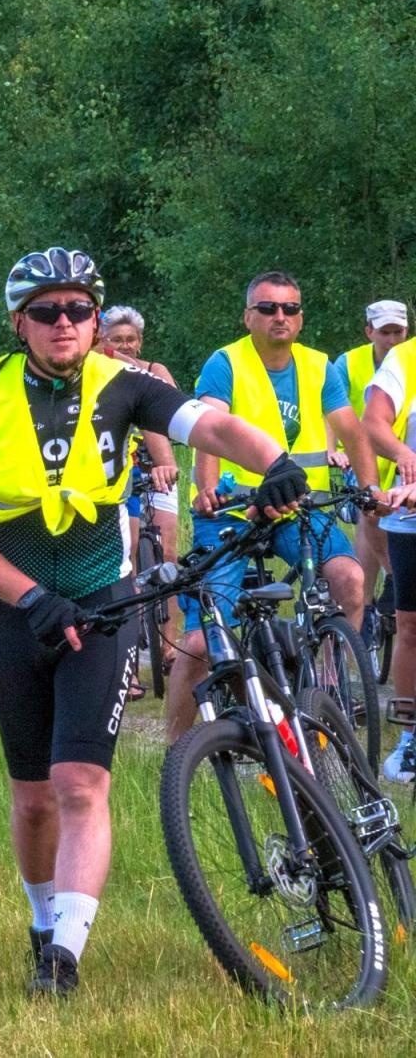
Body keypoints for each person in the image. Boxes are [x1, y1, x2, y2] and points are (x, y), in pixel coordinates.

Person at [0, 246, 308, 998]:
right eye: (47, 312)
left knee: (80, 783)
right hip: (21, 611)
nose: (64, 323)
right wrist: (29, 599)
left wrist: (276, 461)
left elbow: (213, 426)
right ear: (19, 323)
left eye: (78, 310)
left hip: (105, 601)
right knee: (34, 796)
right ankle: (42, 921)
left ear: (96, 318)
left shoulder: (126, 384)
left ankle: (63, 957)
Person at [166, 271, 387, 741]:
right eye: (267, 308)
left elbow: (352, 431)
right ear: (248, 317)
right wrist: (206, 490)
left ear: (301, 317)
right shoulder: (226, 362)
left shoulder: (317, 366)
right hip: (229, 509)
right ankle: (177, 753)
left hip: (295, 507)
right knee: (201, 641)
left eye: (289, 308)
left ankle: (328, 690)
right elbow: (210, 426)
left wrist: (370, 492)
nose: (279, 316)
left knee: (350, 579)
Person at [98, 305, 181, 695]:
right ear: (102, 342)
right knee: (127, 559)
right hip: (123, 470)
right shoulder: (99, 373)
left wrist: (165, 462)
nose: (125, 346)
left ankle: (169, 649)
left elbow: (171, 415)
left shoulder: (154, 371)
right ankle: (126, 665)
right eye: (117, 340)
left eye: (131, 340)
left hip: (160, 469)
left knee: (168, 556)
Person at [356, 331, 416, 781]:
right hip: (411, 515)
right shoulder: (406, 358)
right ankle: (411, 737)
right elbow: (373, 422)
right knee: (411, 625)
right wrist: (403, 455)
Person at [333, 300, 408, 629]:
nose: (392, 340)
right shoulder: (348, 363)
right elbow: (329, 408)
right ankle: (394, 576)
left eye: (399, 332)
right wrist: (331, 448)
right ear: (369, 332)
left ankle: (368, 601)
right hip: (359, 451)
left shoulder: (407, 360)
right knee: (372, 507)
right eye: (385, 332)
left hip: (399, 453)